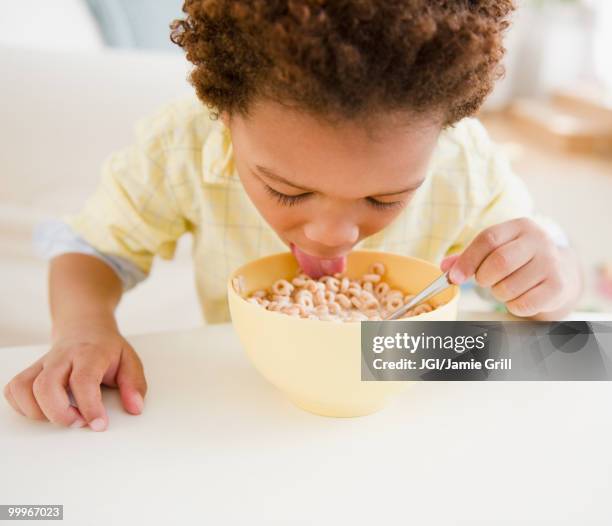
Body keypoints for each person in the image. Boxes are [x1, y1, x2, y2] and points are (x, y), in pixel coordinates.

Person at [3, 0, 582, 431]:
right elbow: (93, 249)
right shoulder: (181, 146)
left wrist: (549, 278)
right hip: (241, 414)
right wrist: (83, 329)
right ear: (224, 117)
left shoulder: (465, 164)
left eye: (384, 200)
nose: (333, 235)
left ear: (442, 133)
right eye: (286, 190)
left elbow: (547, 279)